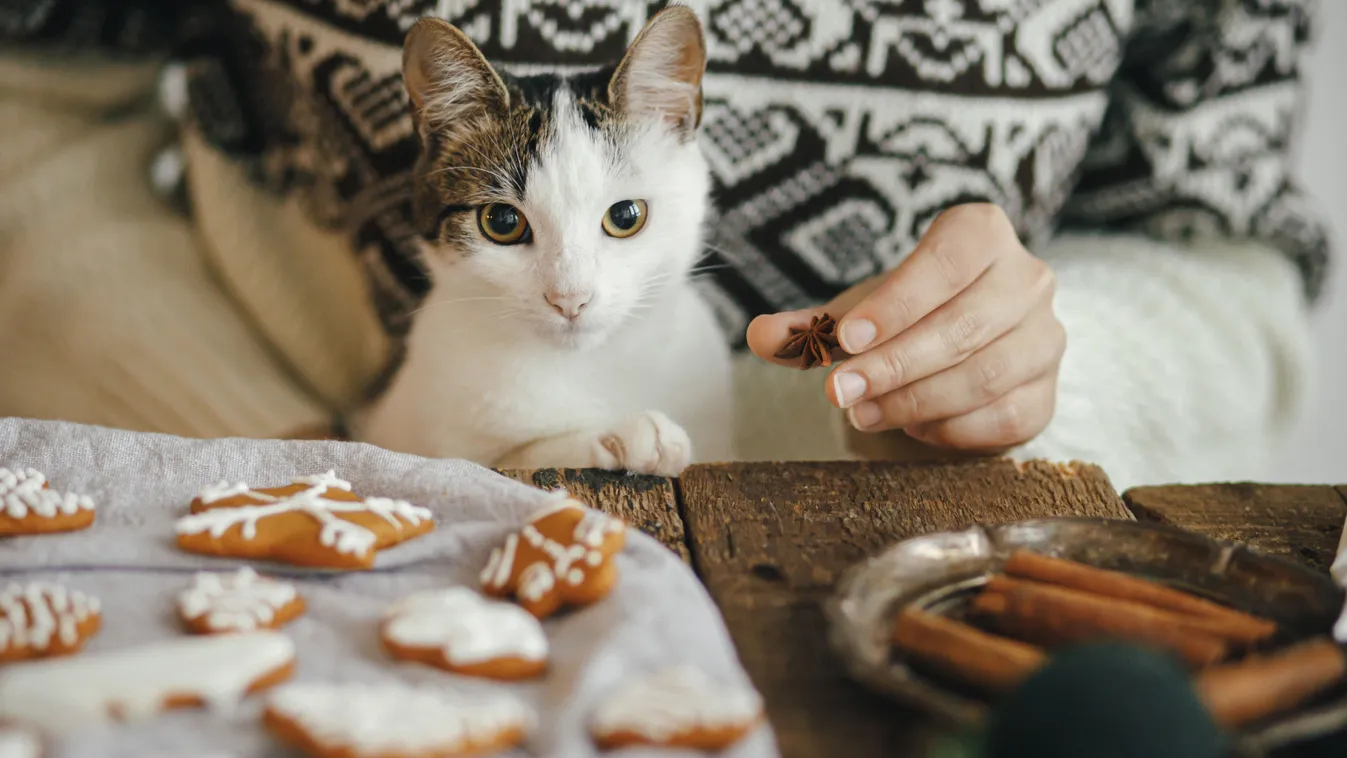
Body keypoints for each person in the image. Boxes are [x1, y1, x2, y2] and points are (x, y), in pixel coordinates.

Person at [0, 0, 1327, 490]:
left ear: (683, 145)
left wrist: (1030, 400)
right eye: (511, 230)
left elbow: (1214, 240)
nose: (572, 289)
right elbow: (29, 93)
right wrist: (269, 468)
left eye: (623, 220)